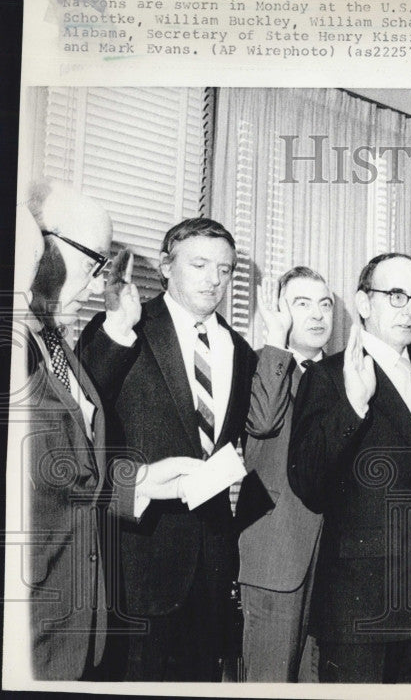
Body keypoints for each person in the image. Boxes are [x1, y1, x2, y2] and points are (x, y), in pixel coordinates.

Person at [19, 181, 202, 680]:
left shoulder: (54, 344)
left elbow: (61, 469)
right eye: (93, 262)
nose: (101, 284)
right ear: (39, 246)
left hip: (74, 627)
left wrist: (139, 482)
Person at [78, 217, 258, 681]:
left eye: (225, 269)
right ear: (164, 266)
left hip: (211, 570)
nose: (214, 279)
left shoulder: (240, 349)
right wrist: (117, 329)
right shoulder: (124, 328)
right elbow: (79, 420)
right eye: (199, 264)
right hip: (138, 561)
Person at [287, 252, 411, 683]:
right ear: (363, 303)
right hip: (362, 611)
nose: (410, 308)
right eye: (395, 295)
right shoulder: (328, 376)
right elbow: (307, 482)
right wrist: (353, 407)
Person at [237, 267, 333, 682]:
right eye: (302, 303)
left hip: (333, 561)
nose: (317, 315)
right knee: (269, 680)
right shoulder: (259, 365)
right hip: (276, 556)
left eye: (325, 304)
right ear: (279, 311)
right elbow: (261, 422)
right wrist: (275, 341)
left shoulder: (349, 374)